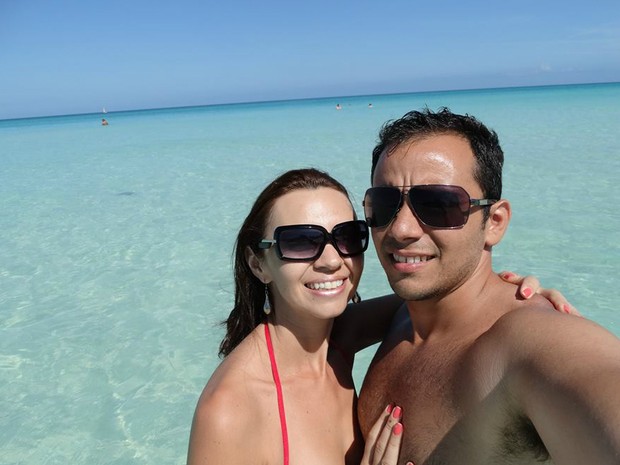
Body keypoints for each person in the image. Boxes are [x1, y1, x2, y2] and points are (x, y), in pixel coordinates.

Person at [187, 168, 574, 465]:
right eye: (300, 241)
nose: (331, 261)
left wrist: (516, 295)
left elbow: (445, 295)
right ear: (259, 263)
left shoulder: (334, 337)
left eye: (347, 237)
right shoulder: (230, 409)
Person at [358, 108, 620, 464]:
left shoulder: (529, 341)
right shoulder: (397, 322)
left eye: (439, 205)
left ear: (494, 222)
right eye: (384, 204)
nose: (401, 228)